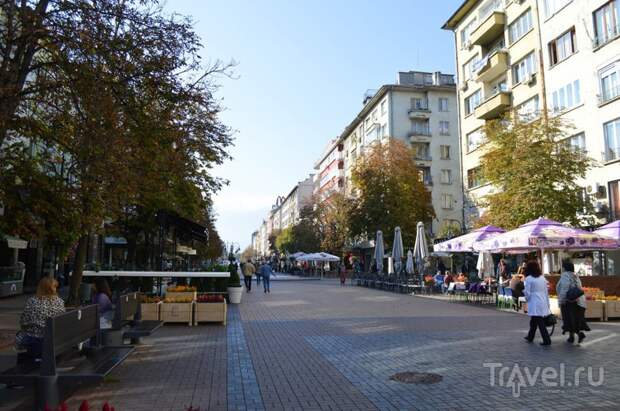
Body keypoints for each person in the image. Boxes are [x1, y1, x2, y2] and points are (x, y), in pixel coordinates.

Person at [15, 277, 65, 360]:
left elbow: (23, 322)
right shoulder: (59, 302)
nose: (56, 289)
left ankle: (24, 365)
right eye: (55, 287)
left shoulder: (32, 301)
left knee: (20, 337)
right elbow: (61, 322)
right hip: (52, 340)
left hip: (35, 341)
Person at [556, 260, 589, 344]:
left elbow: (564, 289)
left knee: (569, 319)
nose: (562, 268)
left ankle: (578, 334)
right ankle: (571, 337)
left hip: (569, 302)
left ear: (565, 268)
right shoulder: (575, 276)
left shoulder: (565, 276)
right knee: (574, 320)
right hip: (578, 301)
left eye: (562, 267)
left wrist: (561, 301)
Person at [523, 261, 552, 346]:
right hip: (542, 301)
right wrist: (547, 303)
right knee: (534, 320)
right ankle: (530, 336)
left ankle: (547, 340)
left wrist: (527, 299)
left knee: (539, 321)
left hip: (534, 302)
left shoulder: (528, 279)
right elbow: (546, 291)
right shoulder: (542, 278)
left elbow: (527, 293)